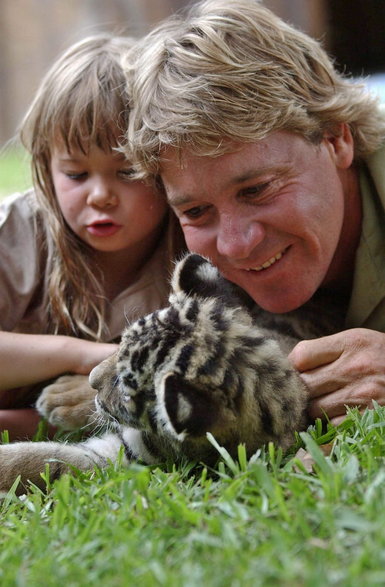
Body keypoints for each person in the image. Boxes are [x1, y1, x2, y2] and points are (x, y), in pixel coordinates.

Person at [125, 0, 385, 426]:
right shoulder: (157, 241)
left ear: (337, 139)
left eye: (257, 189)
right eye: (196, 210)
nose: (234, 244)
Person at [0, 34, 185, 439]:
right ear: (46, 167)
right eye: (76, 174)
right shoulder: (13, 234)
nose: (100, 196)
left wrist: (26, 426)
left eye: (127, 171)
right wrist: (83, 355)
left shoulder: (188, 255)